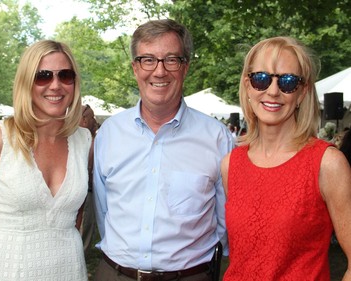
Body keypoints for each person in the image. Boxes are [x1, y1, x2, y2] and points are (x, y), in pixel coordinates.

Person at [93, 19, 235, 281]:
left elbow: (225, 221)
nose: (159, 71)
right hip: (115, 274)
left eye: (171, 60)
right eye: (148, 60)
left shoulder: (217, 139)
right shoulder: (108, 134)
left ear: (185, 67)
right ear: (135, 68)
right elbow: (103, 210)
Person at [221, 36, 351, 280]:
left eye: (288, 82)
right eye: (261, 79)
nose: (272, 91)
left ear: (302, 93)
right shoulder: (231, 164)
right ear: (248, 86)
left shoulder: (327, 163)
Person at [0, 40, 91, 280]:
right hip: (6, 271)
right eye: (43, 76)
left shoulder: (84, 141)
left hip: (69, 271)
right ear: (26, 82)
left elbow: (77, 216)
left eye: (65, 75)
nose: (56, 85)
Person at [79, 104, 98, 258]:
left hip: (88, 192)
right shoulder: (86, 140)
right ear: (84, 120)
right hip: (85, 193)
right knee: (84, 228)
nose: (95, 121)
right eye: (92, 117)